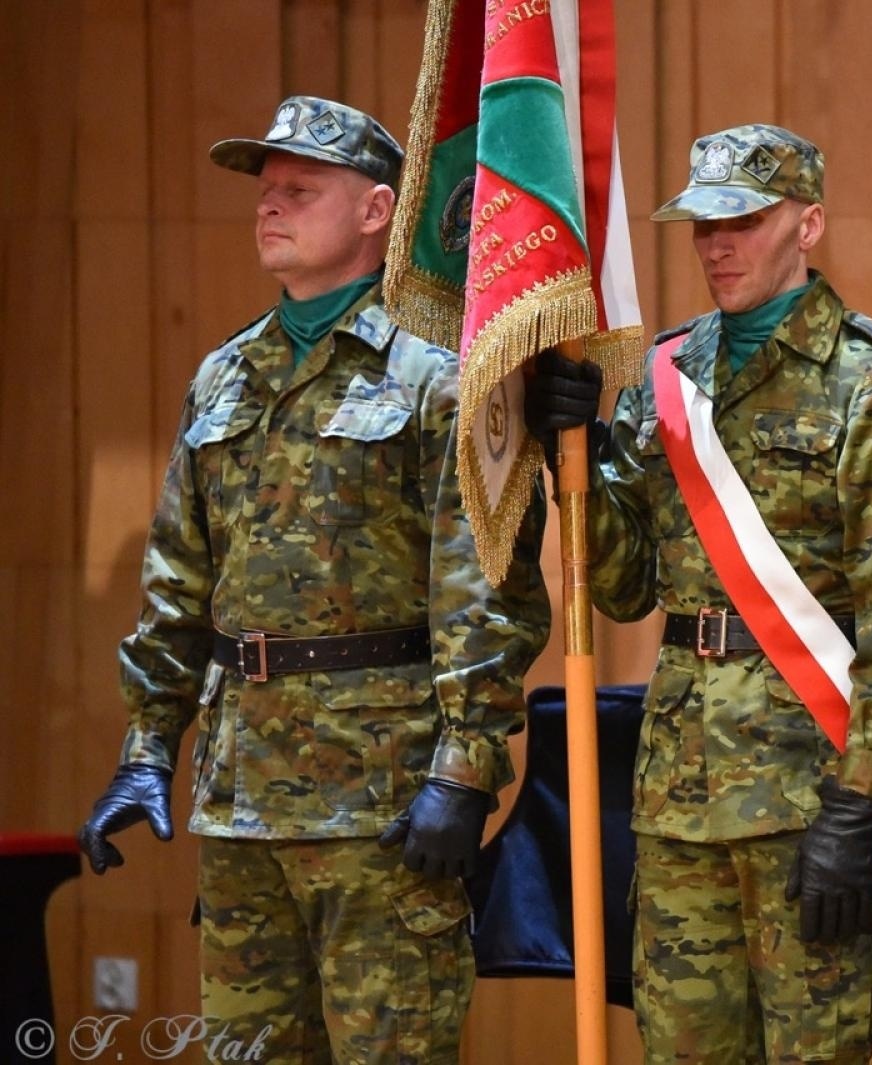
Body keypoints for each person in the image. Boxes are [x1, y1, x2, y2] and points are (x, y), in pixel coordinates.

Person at [76, 95, 550, 1062]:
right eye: (266, 189)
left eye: (301, 189)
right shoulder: (224, 375)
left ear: (377, 211)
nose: (270, 204)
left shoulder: (439, 377)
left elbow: (485, 591)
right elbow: (177, 579)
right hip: (242, 795)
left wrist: (464, 767)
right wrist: (146, 747)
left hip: (383, 798)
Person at [526, 124, 872, 1063]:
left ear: (809, 224)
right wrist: (574, 458)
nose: (717, 245)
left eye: (744, 221)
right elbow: (627, 588)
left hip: (810, 794)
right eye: (702, 226)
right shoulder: (666, 375)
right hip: (681, 792)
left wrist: (856, 805)